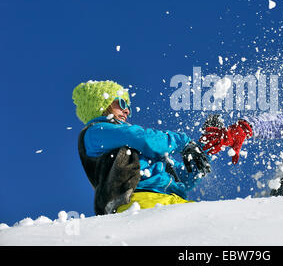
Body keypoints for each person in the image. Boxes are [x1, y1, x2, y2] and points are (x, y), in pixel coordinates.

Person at [72, 80, 210, 215]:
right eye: (121, 103)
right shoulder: (96, 131)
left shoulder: (137, 147)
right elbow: (143, 138)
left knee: (213, 224)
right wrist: (184, 142)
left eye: (128, 106)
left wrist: (205, 146)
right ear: (101, 103)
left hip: (171, 200)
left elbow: (185, 177)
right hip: (139, 202)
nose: (126, 110)